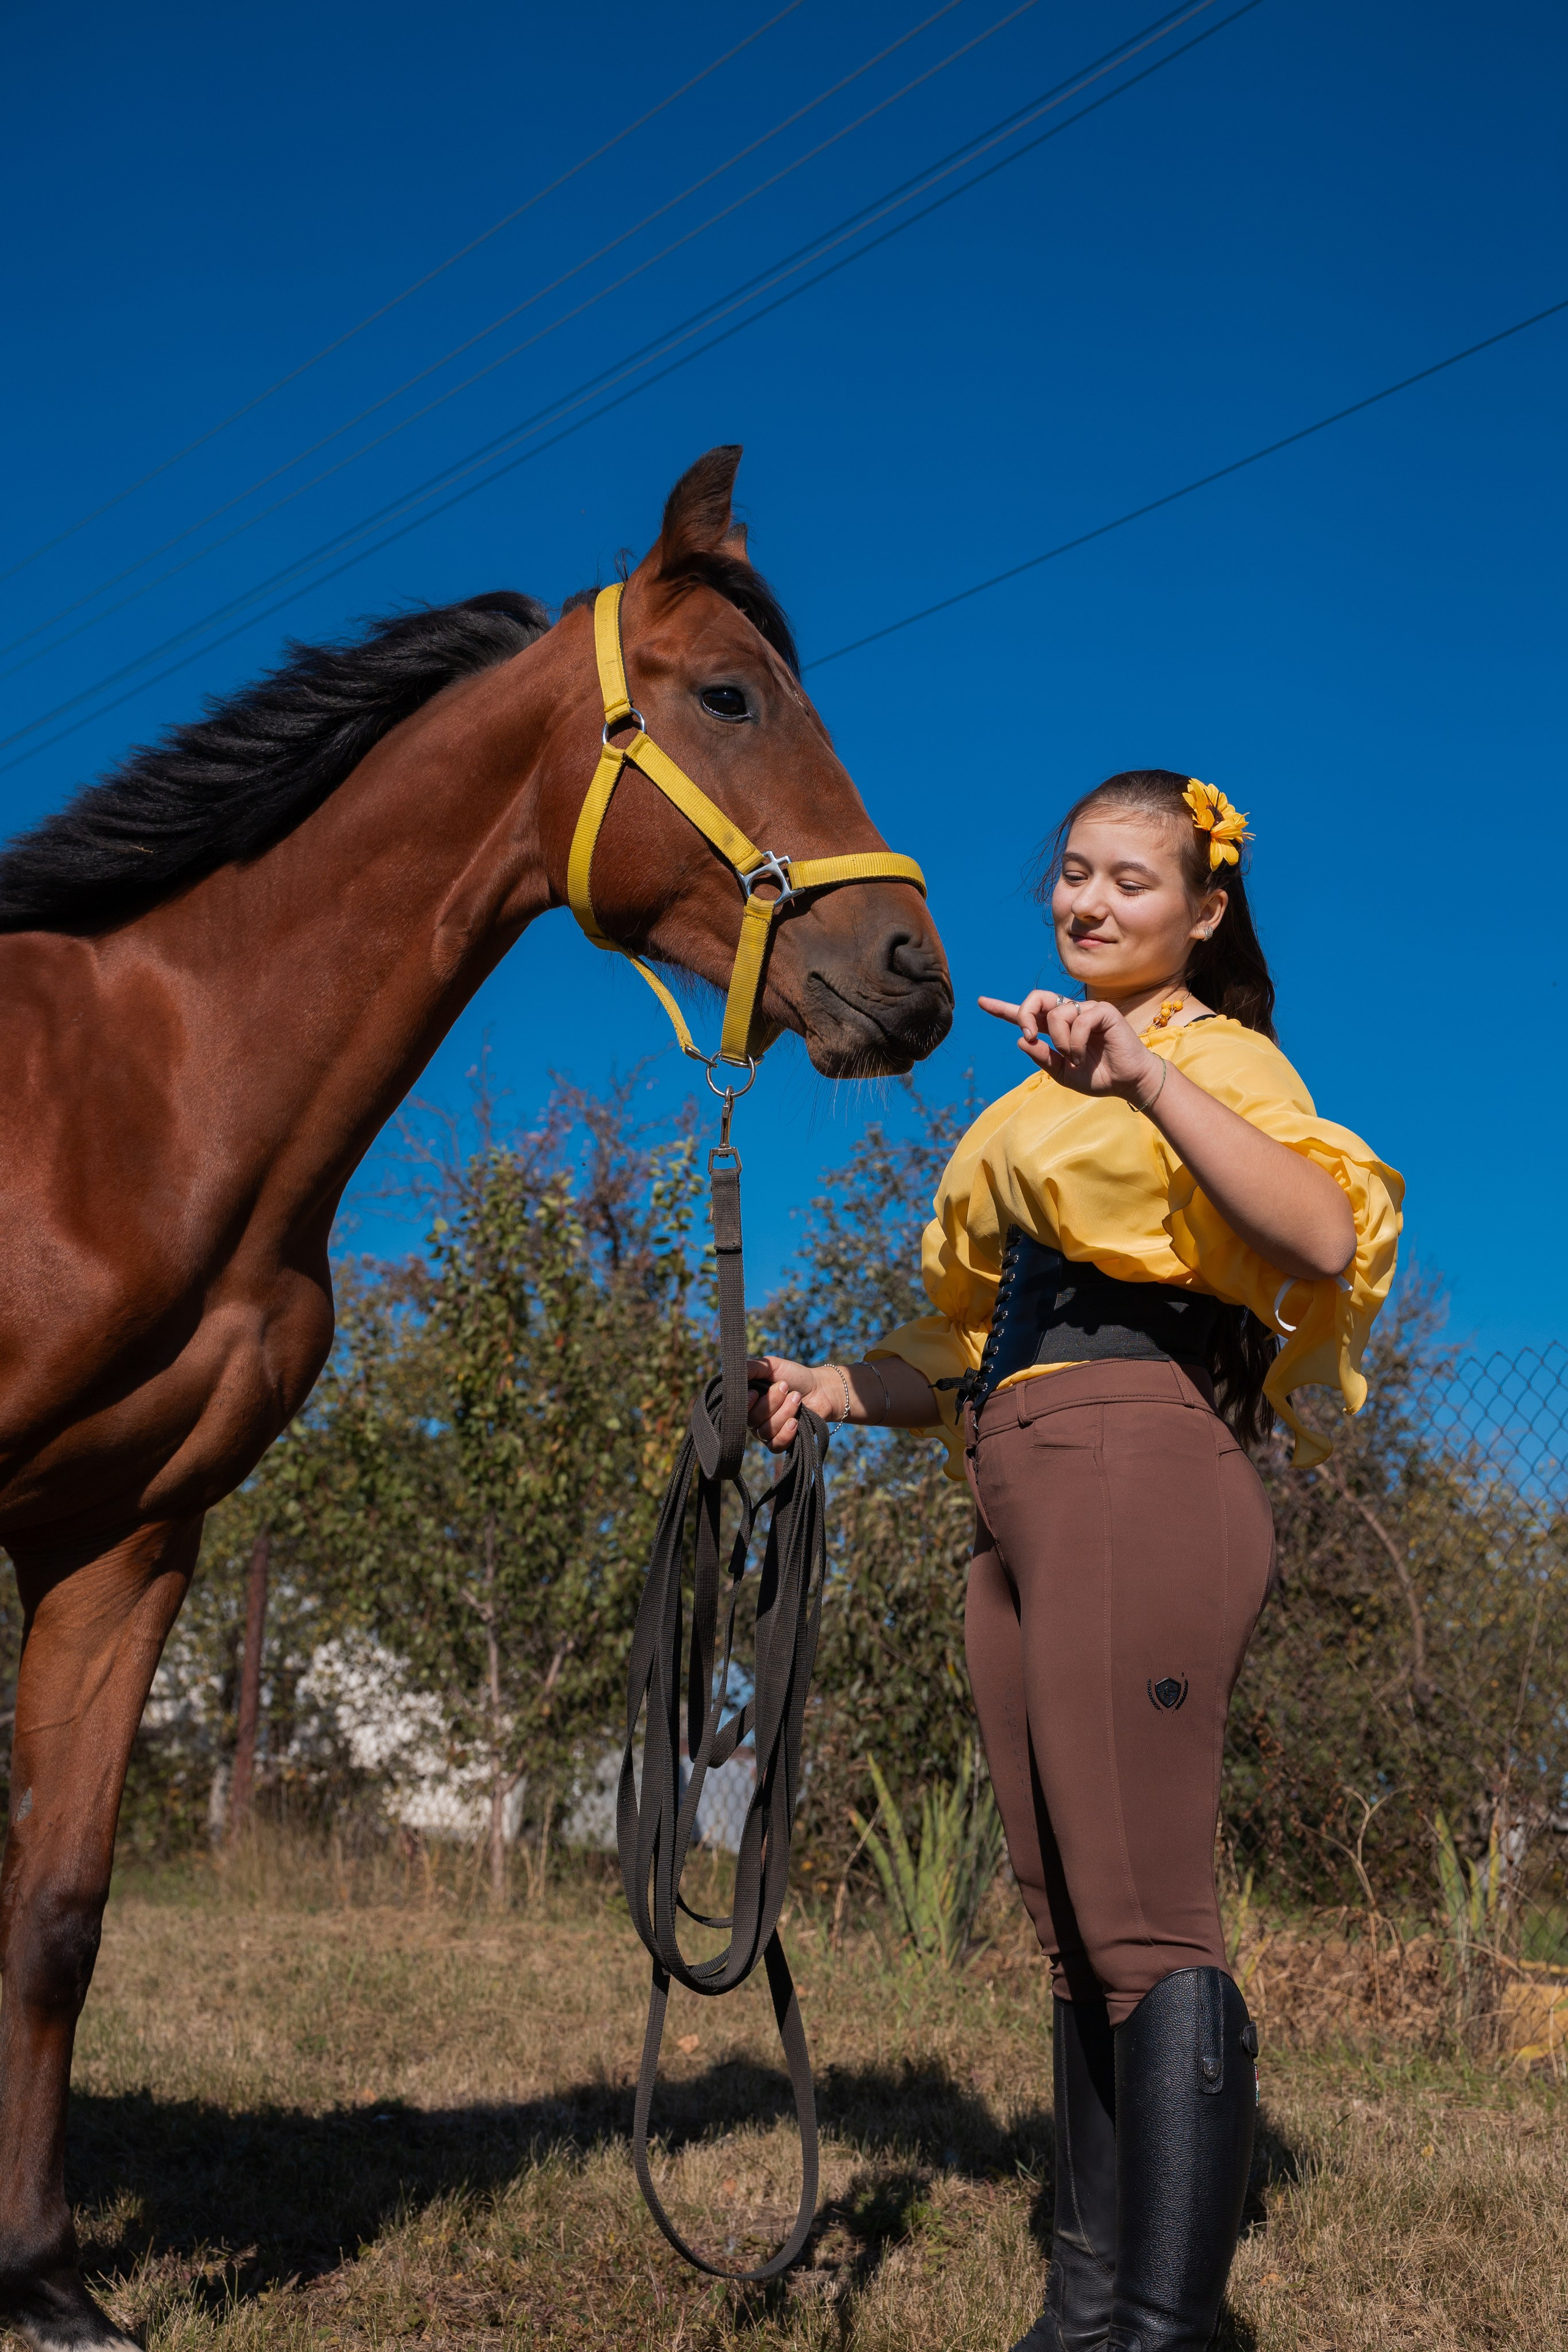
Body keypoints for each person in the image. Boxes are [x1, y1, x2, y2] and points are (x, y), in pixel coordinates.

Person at [748, 769, 1402, 2352]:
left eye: (1130, 879)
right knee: (1071, 1925)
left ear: (1205, 909)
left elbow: (1324, 1232)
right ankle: (1084, 2311)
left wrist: (1145, 1079)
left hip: (1143, 1457)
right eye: (1073, 873)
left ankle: (1168, 2329)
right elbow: (974, 1340)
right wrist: (833, 1387)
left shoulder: (1216, 1059)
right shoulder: (1025, 1103)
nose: (1089, 901)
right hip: (1021, 1476)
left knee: (1146, 1917)